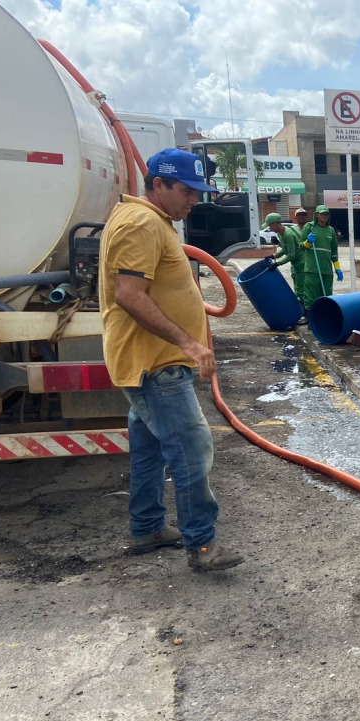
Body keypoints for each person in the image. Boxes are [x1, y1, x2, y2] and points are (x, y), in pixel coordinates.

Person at [99, 148, 244, 572]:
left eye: (198, 192)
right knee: (191, 448)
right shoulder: (141, 223)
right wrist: (189, 344)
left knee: (149, 450)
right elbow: (129, 295)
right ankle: (202, 544)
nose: (194, 201)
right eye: (186, 191)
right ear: (158, 184)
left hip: (152, 360)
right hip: (156, 364)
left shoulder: (151, 220)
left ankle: (147, 528)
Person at [299, 204, 343, 308]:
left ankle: (324, 316)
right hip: (312, 269)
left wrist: (337, 268)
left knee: (327, 296)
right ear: (317, 215)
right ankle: (310, 316)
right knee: (311, 296)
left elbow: (334, 253)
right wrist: (308, 242)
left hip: (326, 270)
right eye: (322, 214)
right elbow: (301, 246)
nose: (325, 216)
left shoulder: (331, 230)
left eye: (326, 214)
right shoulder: (310, 227)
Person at [264, 212, 305, 310]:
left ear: (275, 224)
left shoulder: (288, 234)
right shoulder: (280, 233)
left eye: (270, 226)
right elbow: (285, 249)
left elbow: (291, 254)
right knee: (297, 288)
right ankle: (300, 309)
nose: (270, 229)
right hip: (295, 264)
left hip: (301, 264)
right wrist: (274, 256)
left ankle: (306, 311)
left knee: (301, 289)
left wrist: (277, 263)